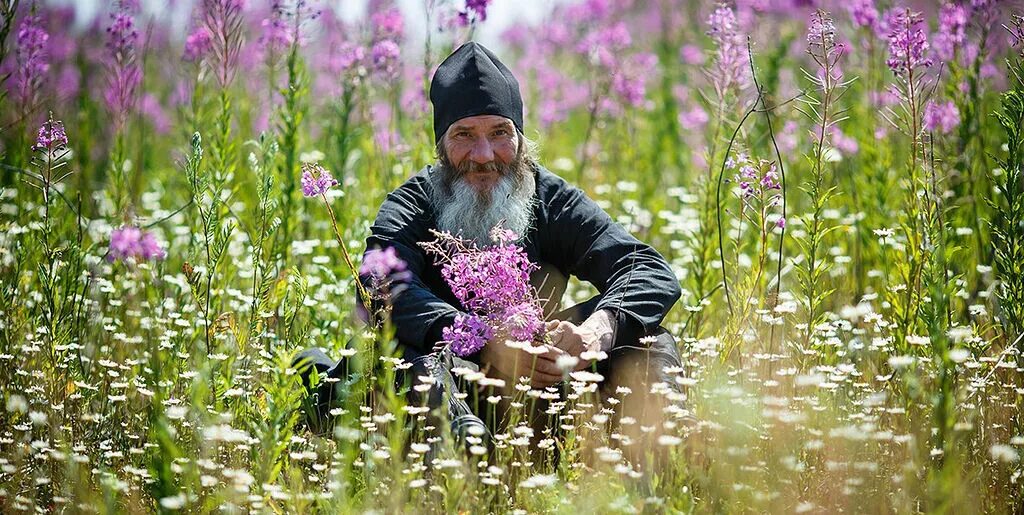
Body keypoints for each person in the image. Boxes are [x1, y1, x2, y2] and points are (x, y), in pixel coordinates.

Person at [298, 42, 688, 454]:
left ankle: (662, 447)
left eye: (500, 133)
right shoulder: (413, 203)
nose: (484, 156)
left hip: (539, 382)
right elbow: (381, 288)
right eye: (464, 135)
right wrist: (486, 341)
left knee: (647, 337)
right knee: (405, 348)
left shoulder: (550, 198)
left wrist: (598, 330)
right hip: (450, 386)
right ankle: (460, 452)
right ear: (441, 146)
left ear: (520, 138)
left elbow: (645, 268)